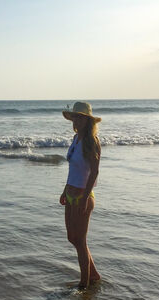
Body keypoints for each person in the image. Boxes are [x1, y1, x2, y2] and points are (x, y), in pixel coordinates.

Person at [59, 102, 102, 289]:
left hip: (83, 197)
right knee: (72, 238)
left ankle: (84, 285)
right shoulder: (75, 138)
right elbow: (73, 170)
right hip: (70, 194)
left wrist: (84, 199)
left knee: (81, 241)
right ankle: (93, 274)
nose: (77, 120)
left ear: (88, 120)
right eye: (75, 116)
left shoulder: (92, 142)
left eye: (80, 117)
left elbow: (94, 173)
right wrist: (64, 190)